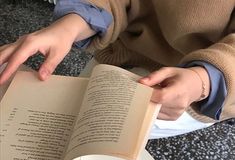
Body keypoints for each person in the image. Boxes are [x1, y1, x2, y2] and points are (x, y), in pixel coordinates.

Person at [0, 0, 234, 138]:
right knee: (68, 122)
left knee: (86, 138)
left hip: (203, 82)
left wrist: (203, 81)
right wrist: (70, 24)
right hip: (120, 55)